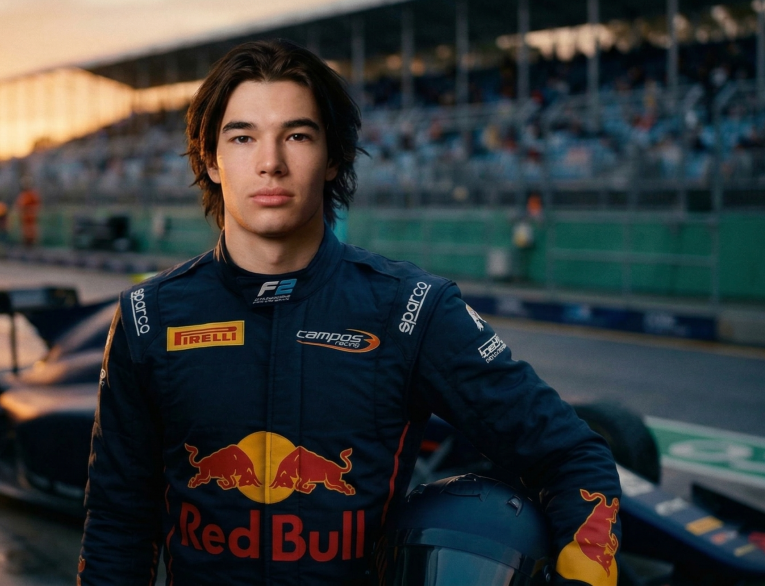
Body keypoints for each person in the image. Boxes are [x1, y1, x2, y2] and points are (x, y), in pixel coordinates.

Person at [79, 40, 621, 586]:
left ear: (332, 157)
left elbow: (573, 454)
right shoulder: (150, 316)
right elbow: (117, 525)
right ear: (210, 160)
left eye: (297, 135)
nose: (270, 162)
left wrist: (589, 560)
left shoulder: (410, 310)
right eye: (242, 137)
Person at [15, 179, 41, 247]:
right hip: (24, 220)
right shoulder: (22, 195)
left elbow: (37, 206)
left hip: (31, 220)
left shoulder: (33, 195)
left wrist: (30, 211)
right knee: (25, 234)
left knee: (31, 233)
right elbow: (19, 206)